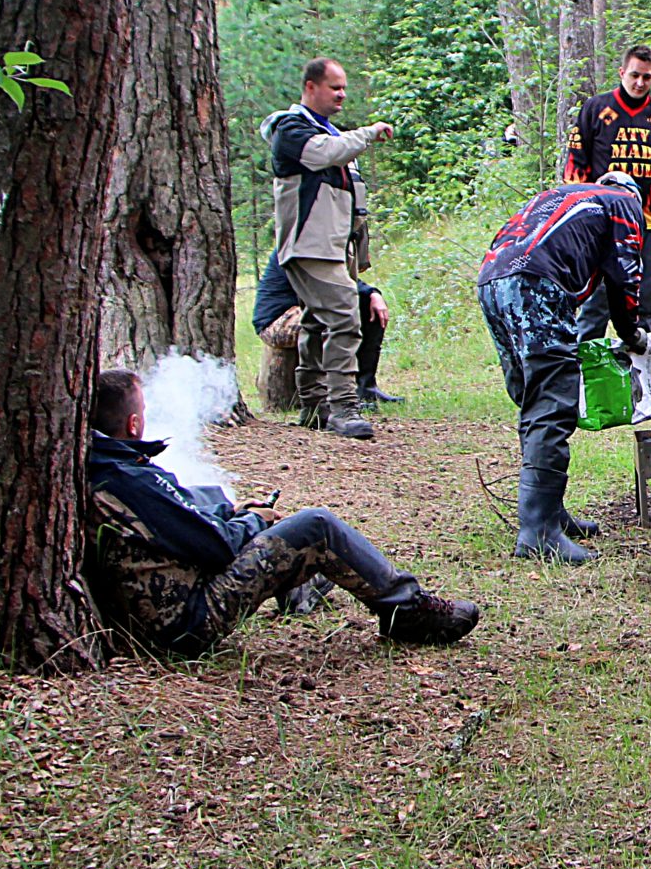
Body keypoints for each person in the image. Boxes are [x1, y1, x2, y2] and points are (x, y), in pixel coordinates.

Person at [83, 369, 478, 650]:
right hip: (184, 623)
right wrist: (254, 519)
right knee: (316, 525)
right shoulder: (128, 480)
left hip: (161, 614)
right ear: (134, 424)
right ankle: (408, 609)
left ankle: (306, 589)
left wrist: (234, 511)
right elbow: (216, 547)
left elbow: (183, 520)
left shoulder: (107, 467)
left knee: (235, 508)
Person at [476, 169, 649, 564]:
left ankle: (547, 512)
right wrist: (633, 334)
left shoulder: (564, 196)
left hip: (491, 280)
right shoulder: (623, 205)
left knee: (532, 397)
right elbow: (625, 277)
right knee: (553, 403)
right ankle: (538, 532)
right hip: (535, 283)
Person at [261, 58, 393, 439]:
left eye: (344, 88)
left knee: (319, 321)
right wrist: (367, 133)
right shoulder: (292, 130)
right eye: (334, 87)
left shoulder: (326, 132)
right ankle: (343, 408)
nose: (341, 94)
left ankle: (315, 406)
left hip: (332, 247)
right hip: (309, 246)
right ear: (310, 87)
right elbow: (323, 154)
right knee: (344, 317)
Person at [566, 44, 651, 337]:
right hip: (601, 222)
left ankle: (640, 368)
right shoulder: (595, 110)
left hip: (650, 222)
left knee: (644, 296)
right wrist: (578, 213)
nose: (640, 83)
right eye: (634, 75)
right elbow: (575, 166)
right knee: (596, 299)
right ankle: (586, 369)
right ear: (622, 72)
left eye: (647, 77)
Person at [254, 255, 399, 405]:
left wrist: (372, 293)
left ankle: (365, 387)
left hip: (306, 309)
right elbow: (325, 280)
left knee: (366, 306)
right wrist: (368, 292)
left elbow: (340, 277)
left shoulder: (320, 243)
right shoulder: (298, 243)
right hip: (278, 319)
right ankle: (330, 397)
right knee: (337, 322)